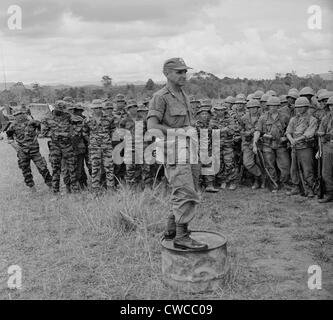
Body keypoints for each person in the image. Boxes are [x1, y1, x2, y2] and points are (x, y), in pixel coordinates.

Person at [147, 57, 207, 251]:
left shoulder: (182, 94)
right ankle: (182, 236)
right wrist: (178, 132)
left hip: (189, 147)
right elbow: (152, 127)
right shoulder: (161, 96)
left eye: (184, 72)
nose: (183, 75)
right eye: (179, 72)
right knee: (184, 190)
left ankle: (172, 228)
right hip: (174, 149)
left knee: (190, 187)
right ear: (167, 74)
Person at [6, 109, 52, 192]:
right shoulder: (12, 126)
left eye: (21, 114)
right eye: (17, 115)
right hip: (22, 152)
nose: (19, 116)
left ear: (24, 114)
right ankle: (32, 189)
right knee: (25, 170)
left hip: (34, 150)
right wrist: (15, 147)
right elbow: (9, 137)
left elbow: (40, 127)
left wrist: (38, 133)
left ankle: (51, 186)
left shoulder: (33, 122)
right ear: (14, 116)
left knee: (43, 168)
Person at [41, 101, 80, 195]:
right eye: (59, 109)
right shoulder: (47, 118)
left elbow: (79, 122)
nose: (61, 111)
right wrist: (56, 134)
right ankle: (56, 191)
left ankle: (75, 190)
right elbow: (43, 132)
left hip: (67, 145)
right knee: (55, 169)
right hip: (55, 146)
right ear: (54, 108)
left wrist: (72, 133)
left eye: (62, 109)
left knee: (72, 167)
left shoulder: (68, 116)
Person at [253, 97, 290, 192]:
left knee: (285, 166)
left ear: (278, 106)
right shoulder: (263, 117)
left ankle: (284, 183)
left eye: (275, 105)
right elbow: (257, 131)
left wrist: (285, 138)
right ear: (268, 106)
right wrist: (254, 144)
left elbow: (289, 131)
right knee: (269, 166)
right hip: (267, 145)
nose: (273, 107)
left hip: (281, 145)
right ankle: (274, 185)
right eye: (271, 106)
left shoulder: (284, 117)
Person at [286, 97, 318, 197]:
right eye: (297, 107)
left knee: (307, 169)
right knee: (294, 168)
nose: (299, 109)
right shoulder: (293, 119)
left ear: (307, 107)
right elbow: (288, 132)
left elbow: (309, 133)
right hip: (294, 147)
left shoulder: (312, 120)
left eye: (302, 107)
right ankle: (296, 187)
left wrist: (296, 140)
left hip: (305, 148)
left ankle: (310, 189)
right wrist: (291, 139)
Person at [83, 100, 116, 194]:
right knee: (95, 168)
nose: (98, 110)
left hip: (107, 147)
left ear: (102, 108)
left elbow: (113, 130)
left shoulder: (109, 119)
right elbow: (85, 132)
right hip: (94, 148)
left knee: (109, 167)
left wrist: (108, 140)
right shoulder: (87, 120)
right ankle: (95, 188)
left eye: (99, 108)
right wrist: (91, 141)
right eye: (96, 108)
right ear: (92, 109)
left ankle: (110, 188)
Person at [210, 103, 240, 190]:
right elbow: (211, 132)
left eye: (222, 110)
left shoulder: (230, 119)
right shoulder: (212, 120)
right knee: (219, 163)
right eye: (218, 110)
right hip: (217, 145)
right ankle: (222, 181)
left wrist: (219, 131)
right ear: (215, 111)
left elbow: (231, 131)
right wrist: (224, 129)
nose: (220, 112)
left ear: (224, 110)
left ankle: (232, 181)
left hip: (228, 144)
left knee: (229, 162)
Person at [195, 100, 218, 192]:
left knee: (209, 165)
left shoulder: (212, 124)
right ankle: (197, 185)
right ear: (199, 115)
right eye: (203, 114)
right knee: (197, 167)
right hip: (198, 148)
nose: (205, 116)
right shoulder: (195, 125)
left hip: (209, 148)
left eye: (206, 114)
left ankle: (209, 185)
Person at [240, 99, 263, 189]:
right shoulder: (244, 118)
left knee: (260, 162)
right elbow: (240, 130)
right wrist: (245, 134)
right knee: (248, 163)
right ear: (248, 109)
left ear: (258, 108)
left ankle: (259, 181)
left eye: (255, 108)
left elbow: (264, 130)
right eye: (251, 108)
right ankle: (259, 175)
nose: (253, 110)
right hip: (247, 143)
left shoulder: (262, 117)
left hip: (260, 143)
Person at [317, 96, 333, 203]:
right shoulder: (325, 118)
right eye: (331, 105)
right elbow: (319, 133)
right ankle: (330, 193)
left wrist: (327, 135)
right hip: (327, 147)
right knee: (326, 173)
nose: (332, 107)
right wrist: (320, 150)